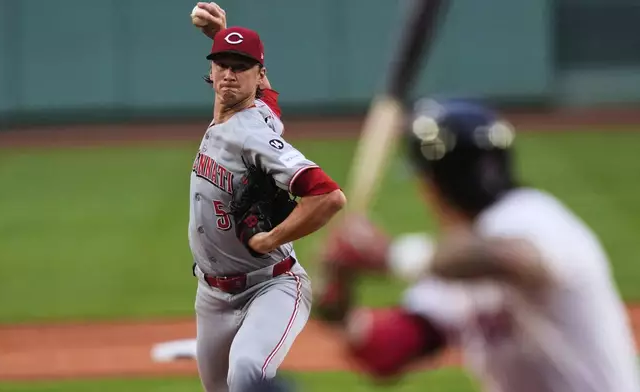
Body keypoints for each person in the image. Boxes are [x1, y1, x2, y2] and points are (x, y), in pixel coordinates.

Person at [316, 98, 640, 392]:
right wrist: (343, 311)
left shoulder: (533, 218)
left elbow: (514, 259)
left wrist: (392, 255)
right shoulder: (456, 256)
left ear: (433, 186)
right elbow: (388, 353)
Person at [189, 4, 347, 392]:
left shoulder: (254, 134)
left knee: (246, 373)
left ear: (258, 76)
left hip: (270, 285)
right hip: (211, 294)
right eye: (221, 63)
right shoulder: (247, 108)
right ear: (210, 72)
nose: (228, 74)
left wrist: (268, 239)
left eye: (240, 66)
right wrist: (220, 35)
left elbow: (329, 196)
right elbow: (255, 98)